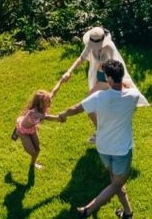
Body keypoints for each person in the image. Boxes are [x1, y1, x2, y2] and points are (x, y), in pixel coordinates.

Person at [57, 60, 142, 218]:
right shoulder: (133, 96)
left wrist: (63, 114)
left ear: (109, 78)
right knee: (117, 183)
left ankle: (128, 213)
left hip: (103, 148)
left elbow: (75, 109)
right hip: (122, 150)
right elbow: (128, 87)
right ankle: (88, 210)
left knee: (115, 182)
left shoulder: (98, 97)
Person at [58, 26, 148, 142]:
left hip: (107, 80)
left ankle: (101, 131)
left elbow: (116, 68)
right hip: (98, 76)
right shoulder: (90, 45)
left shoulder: (110, 48)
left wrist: (112, 83)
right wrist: (68, 72)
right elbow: (81, 58)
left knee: (88, 103)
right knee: (97, 106)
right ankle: (101, 130)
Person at [11, 89, 60, 170]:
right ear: (41, 103)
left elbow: (53, 92)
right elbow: (46, 117)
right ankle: (17, 131)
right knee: (33, 152)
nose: (50, 101)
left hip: (31, 128)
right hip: (23, 131)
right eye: (48, 101)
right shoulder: (32, 113)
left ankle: (33, 164)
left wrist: (62, 80)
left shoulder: (43, 104)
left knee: (38, 149)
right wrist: (59, 118)